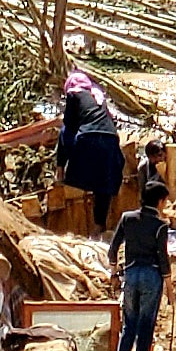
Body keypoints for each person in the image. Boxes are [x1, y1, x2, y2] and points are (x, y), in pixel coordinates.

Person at [110, 179, 172, 351]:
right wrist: (170, 290)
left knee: (129, 326)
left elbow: (113, 249)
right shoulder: (160, 226)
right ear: (160, 202)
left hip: (131, 274)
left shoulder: (127, 219)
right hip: (152, 277)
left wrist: (113, 273)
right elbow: (163, 258)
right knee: (146, 327)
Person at [58, 71, 126, 233]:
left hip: (89, 139)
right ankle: (99, 226)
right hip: (111, 141)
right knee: (103, 185)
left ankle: (62, 174)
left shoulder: (74, 94)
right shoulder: (99, 98)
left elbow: (69, 125)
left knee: (64, 131)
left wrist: (61, 162)